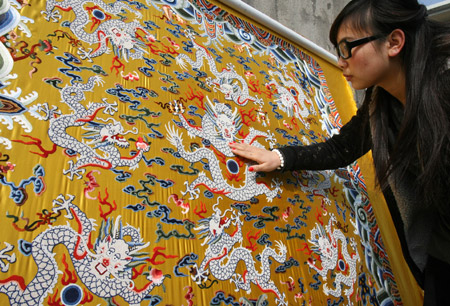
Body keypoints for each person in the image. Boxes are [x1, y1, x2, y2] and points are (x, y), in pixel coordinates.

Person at [228, 0, 450, 305]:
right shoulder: (379, 103)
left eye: (348, 47)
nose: (341, 61)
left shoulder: (444, 89)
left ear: (394, 42)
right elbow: (343, 147)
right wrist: (279, 157)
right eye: (337, 49)